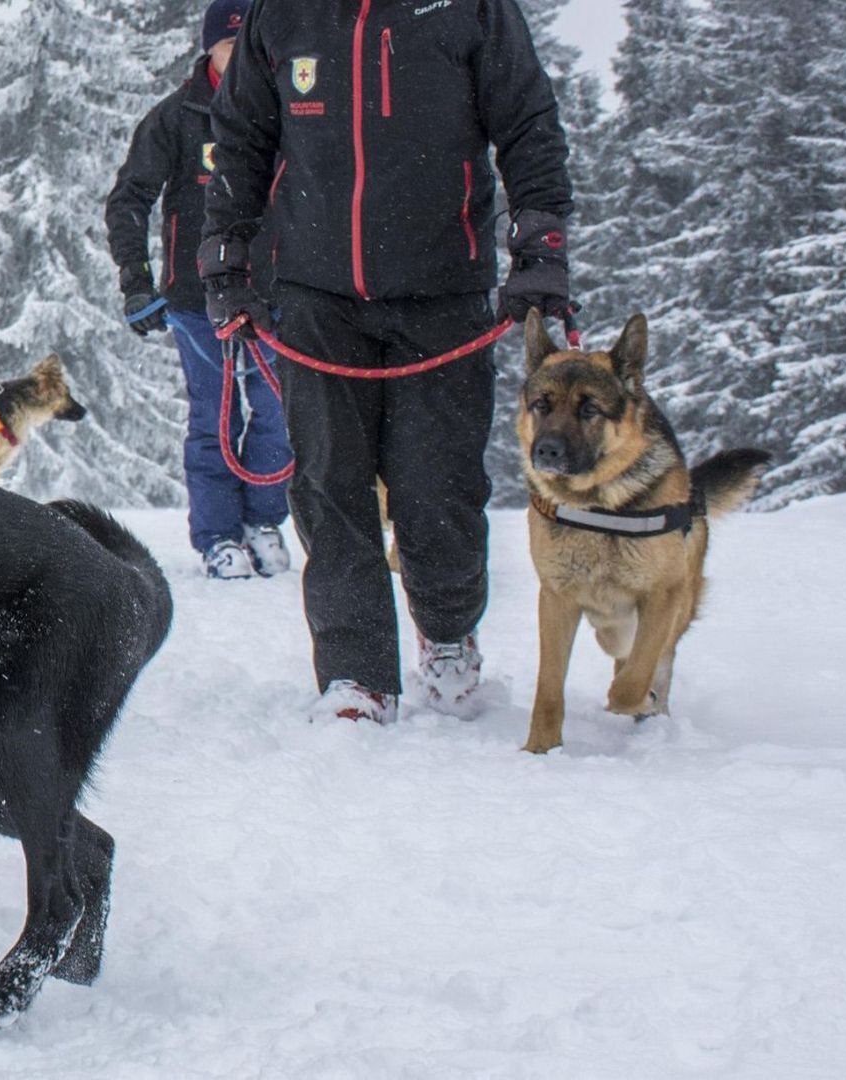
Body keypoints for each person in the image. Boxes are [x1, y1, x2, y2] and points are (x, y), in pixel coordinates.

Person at [199, 0, 573, 722]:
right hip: (314, 291)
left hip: (443, 286)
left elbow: (527, 123)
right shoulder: (284, 15)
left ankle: (448, 630)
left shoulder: (473, 9)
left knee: (436, 488)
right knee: (328, 489)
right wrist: (226, 257)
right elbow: (242, 137)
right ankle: (356, 674)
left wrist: (540, 248)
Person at [105, 0, 295, 581]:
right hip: (195, 295)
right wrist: (136, 282)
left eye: (250, 47)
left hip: (273, 290)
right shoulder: (177, 115)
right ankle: (217, 536)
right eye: (231, 47)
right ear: (210, 48)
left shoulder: (287, 107)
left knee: (276, 412)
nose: (241, 59)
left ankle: (264, 520)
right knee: (213, 414)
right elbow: (128, 199)